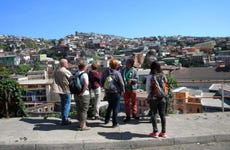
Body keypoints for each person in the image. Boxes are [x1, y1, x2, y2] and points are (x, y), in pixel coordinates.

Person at [101, 58, 125, 127]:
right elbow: (121, 83)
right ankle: (115, 123)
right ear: (116, 65)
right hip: (116, 92)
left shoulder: (105, 72)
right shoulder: (117, 73)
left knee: (110, 106)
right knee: (115, 107)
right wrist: (123, 91)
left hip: (108, 92)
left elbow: (102, 81)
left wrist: (105, 88)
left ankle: (106, 120)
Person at [147, 61, 168, 138]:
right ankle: (163, 132)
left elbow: (148, 88)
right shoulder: (163, 75)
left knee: (153, 114)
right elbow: (166, 85)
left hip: (154, 98)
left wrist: (150, 95)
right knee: (162, 115)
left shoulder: (150, 76)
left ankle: (155, 132)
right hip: (163, 97)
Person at [53, 59, 72, 125]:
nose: (67, 64)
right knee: (67, 105)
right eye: (67, 63)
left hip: (60, 90)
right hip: (66, 90)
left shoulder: (56, 71)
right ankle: (65, 120)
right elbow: (71, 79)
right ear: (64, 64)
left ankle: (63, 118)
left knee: (63, 104)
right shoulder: (65, 71)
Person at [75, 61, 91, 131]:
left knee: (79, 109)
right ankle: (83, 126)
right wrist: (83, 92)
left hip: (76, 94)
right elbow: (86, 84)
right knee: (84, 110)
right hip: (84, 94)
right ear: (84, 67)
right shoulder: (85, 74)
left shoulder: (76, 73)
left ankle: (80, 124)